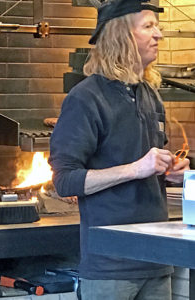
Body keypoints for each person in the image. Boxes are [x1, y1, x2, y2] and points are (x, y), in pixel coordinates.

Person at [49, 0, 190, 299]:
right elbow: (65, 182)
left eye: (158, 27)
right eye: (149, 27)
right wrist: (137, 168)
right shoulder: (85, 98)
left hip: (156, 261)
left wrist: (171, 173)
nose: (160, 35)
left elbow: (150, 169)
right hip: (110, 270)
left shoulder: (150, 95)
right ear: (122, 36)